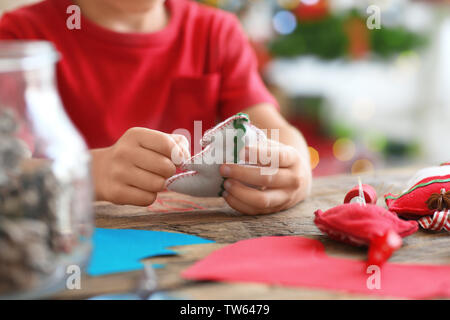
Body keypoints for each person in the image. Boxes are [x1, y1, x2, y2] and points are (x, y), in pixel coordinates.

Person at [0, 0, 312, 215]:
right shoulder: (20, 39)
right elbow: (7, 171)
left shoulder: (216, 32)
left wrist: (293, 170)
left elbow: (272, 128)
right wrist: (89, 174)